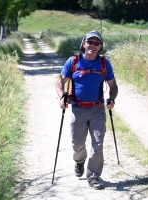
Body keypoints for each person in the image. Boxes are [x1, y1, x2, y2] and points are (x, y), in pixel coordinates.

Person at [56, 30, 118, 190]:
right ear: (84, 43)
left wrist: (111, 99)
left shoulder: (104, 64)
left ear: (100, 47)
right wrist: (61, 97)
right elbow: (60, 82)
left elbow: (113, 85)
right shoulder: (74, 61)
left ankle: (94, 176)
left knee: (98, 143)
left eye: (96, 43)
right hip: (78, 109)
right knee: (77, 144)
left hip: (97, 110)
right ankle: (79, 160)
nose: (93, 45)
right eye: (90, 42)